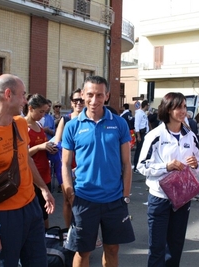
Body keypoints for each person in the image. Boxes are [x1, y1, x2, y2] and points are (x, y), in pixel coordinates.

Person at [0, 74, 55, 266]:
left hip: (31, 207)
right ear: (8, 94)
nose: (25, 100)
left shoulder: (21, 124)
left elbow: (26, 160)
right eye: (22, 95)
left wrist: (43, 189)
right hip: (4, 216)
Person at [61, 75, 135, 267]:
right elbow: (65, 164)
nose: (94, 100)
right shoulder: (72, 126)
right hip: (84, 199)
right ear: (83, 94)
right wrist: (71, 195)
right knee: (83, 251)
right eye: (90, 95)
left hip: (114, 199)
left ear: (107, 96)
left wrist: (125, 196)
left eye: (100, 95)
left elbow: (127, 164)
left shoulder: (119, 123)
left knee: (112, 249)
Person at [136, 92, 199, 266]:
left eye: (185, 107)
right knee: (157, 249)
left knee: (175, 247)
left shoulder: (191, 136)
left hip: (182, 198)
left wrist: (195, 164)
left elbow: (198, 165)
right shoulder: (155, 135)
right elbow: (141, 166)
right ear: (168, 109)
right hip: (160, 199)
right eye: (179, 107)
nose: (183, 111)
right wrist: (166, 166)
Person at [25, 94, 58, 229]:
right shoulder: (23, 126)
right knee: (32, 212)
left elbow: (44, 146)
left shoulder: (38, 124)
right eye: (41, 112)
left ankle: (45, 239)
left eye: (45, 112)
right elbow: (23, 154)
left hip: (45, 172)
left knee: (45, 211)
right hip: (32, 176)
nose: (43, 115)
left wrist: (51, 148)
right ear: (31, 108)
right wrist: (40, 147)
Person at [54, 88, 83, 228]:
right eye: (75, 100)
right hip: (67, 165)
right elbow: (57, 143)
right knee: (67, 199)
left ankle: (84, 231)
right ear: (71, 103)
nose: (79, 103)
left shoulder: (91, 120)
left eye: (81, 100)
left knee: (85, 201)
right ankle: (68, 231)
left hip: (84, 166)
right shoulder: (65, 120)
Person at [133, 100, 149, 173]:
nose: (148, 107)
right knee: (139, 150)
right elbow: (137, 125)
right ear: (145, 105)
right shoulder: (139, 113)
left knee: (143, 151)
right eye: (148, 105)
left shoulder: (144, 113)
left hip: (144, 133)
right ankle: (136, 166)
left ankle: (140, 166)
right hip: (141, 133)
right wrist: (138, 136)